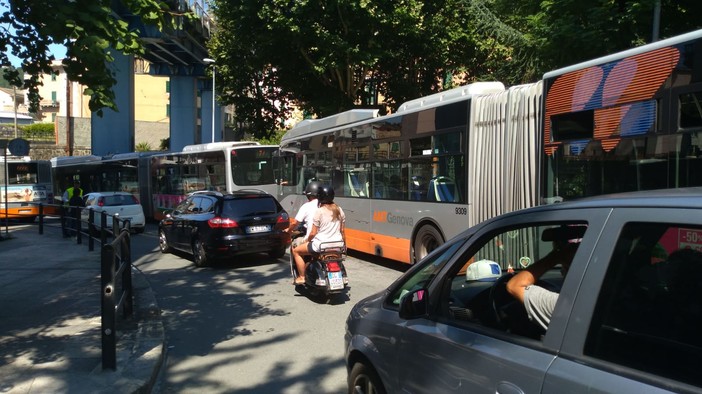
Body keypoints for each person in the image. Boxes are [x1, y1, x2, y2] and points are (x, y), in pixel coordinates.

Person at [506, 240, 578, 331]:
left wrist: (557, 255)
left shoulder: (565, 305)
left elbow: (514, 286)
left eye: (565, 267)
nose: (561, 271)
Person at [291, 184, 346, 285]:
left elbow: (313, 233)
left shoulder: (319, 211)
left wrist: (307, 241)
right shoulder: (339, 210)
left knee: (296, 251)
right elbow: (342, 231)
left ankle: (302, 277)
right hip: (338, 245)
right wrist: (343, 245)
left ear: (320, 197)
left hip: (321, 245)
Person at [284, 181, 322, 246]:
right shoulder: (329, 206)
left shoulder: (306, 206)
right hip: (331, 241)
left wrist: (288, 231)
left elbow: (295, 223)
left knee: (295, 249)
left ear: (308, 195)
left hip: (314, 241)